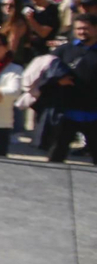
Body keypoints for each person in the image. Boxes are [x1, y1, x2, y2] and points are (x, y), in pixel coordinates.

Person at [46, 13, 97, 164]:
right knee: (56, 155)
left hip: (94, 113)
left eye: (86, 28)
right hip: (67, 112)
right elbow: (46, 72)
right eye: (78, 29)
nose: (82, 32)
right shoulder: (64, 50)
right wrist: (58, 81)